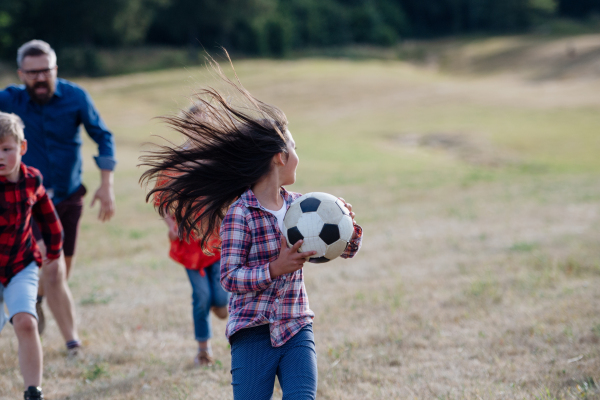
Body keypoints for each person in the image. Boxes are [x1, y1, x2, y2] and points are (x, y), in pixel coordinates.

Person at [141, 55, 363, 399]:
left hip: (295, 326)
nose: (297, 155)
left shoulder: (303, 207)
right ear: (278, 156)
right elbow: (229, 277)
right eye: (294, 148)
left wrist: (346, 224)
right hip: (252, 332)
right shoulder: (239, 214)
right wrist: (275, 268)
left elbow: (340, 249)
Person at [0, 39, 117, 354]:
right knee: (53, 269)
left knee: (60, 270)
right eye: (32, 72)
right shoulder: (7, 100)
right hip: (27, 199)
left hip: (68, 198)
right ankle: (73, 344)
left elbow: (103, 137)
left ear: (55, 69)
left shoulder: (75, 96)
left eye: (46, 71)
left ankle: (34, 299)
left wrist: (106, 184)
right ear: (21, 73)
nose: (40, 78)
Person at [0, 112, 64, 400]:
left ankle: (33, 392)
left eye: (6, 149)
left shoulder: (32, 179)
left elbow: (48, 217)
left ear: (22, 148)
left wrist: (54, 248)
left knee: (26, 321)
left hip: (20, 264)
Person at [155, 156, 230, 366]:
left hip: (214, 244)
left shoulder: (217, 160)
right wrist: (171, 225)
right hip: (189, 248)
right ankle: (203, 351)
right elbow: (162, 201)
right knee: (202, 296)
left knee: (222, 299)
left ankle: (220, 303)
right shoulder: (178, 165)